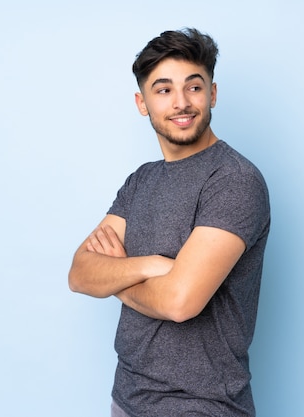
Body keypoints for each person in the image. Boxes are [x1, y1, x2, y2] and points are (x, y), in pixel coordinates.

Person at [68, 28, 270, 417]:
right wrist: (151, 266)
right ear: (142, 103)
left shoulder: (233, 180)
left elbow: (180, 302)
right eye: (163, 90)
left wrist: (117, 282)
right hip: (127, 398)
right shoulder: (141, 180)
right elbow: (79, 273)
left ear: (212, 94)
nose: (181, 103)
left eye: (193, 87)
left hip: (201, 406)